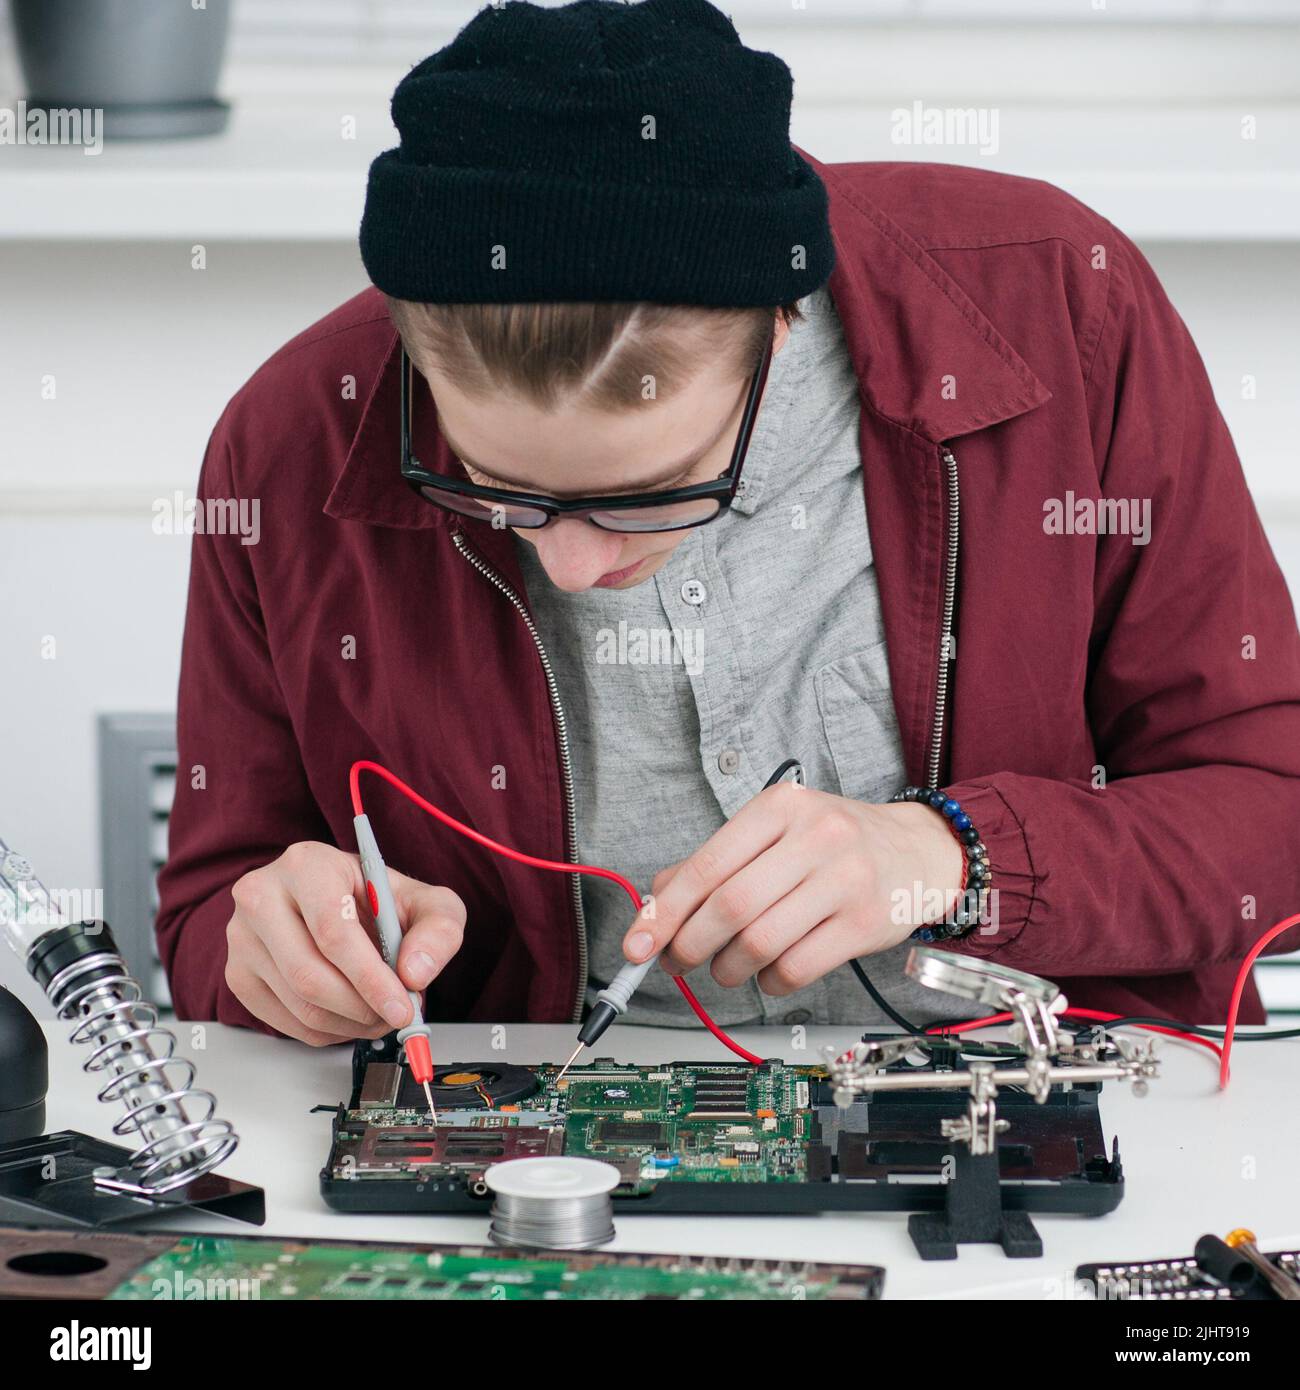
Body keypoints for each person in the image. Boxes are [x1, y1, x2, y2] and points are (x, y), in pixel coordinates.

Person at [156, 0, 1300, 1047]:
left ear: (780, 328)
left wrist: (951, 856)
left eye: (651, 493)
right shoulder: (288, 442)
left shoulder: (1058, 307)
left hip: (1044, 1111)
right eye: (494, 486)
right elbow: (213, 912)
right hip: (541, 1155)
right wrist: (272, 949)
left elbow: (1273, 820)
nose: (571, 559)